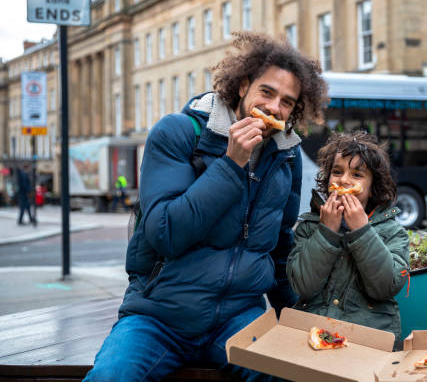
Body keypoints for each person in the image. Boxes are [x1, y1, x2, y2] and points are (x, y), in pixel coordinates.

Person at [83, 31, 328, 382]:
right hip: (158, 316)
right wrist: (231, 164)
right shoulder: (179, 133)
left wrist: (301, 319)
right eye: (267, 92)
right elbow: (166, 233)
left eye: (287, 102)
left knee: (289, 374)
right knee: (111, 377)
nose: (275, 108)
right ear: (243, 85)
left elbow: (278, 251)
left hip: (238, 317)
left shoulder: (285, 157)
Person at [287, 131, 410, 350]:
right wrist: (326, 231)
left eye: (356, 175)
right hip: (313, 335)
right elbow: (303, 286)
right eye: (337, 172)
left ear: (373, 187)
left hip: (368, 341)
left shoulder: (393, 232)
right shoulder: (309, 227)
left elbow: (385, 287)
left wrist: (362, 231)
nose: (343, 180)